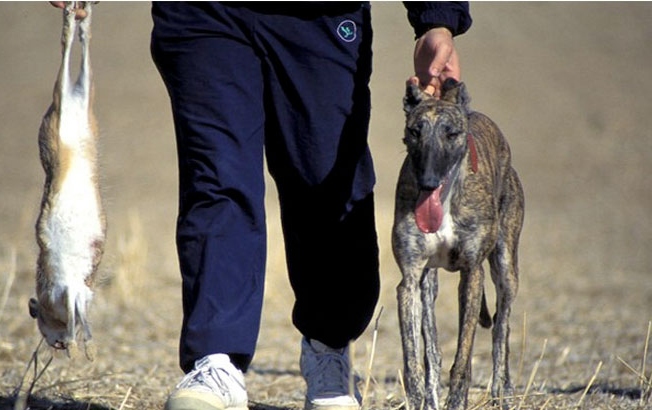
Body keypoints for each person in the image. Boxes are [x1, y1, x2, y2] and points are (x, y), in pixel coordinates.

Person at [50, 2, 471, 409]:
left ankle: (329, 347)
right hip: (201, 14)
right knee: (216, 179)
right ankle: (216, 360)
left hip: (319, 15)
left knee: (326, 181)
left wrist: (436, 17)